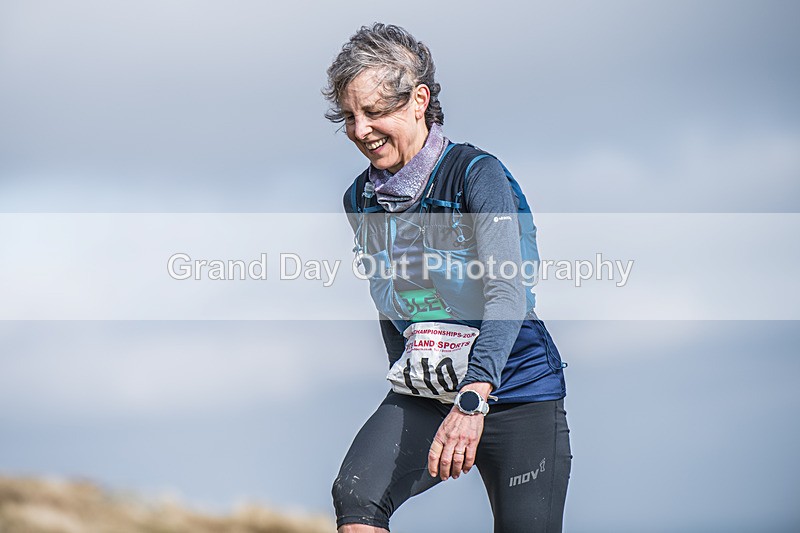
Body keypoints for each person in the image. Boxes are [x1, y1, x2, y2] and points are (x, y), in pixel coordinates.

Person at [323, 23, 571, 533]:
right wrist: (407, 372)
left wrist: (474, 395)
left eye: (375, 112)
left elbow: (508, 293)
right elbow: (386, 300)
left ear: (419, 100)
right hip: (431, 391)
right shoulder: (359, 200)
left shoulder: (477, 173)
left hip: (516, 391)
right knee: (357, 499)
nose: (360, 130)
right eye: (350, 116)